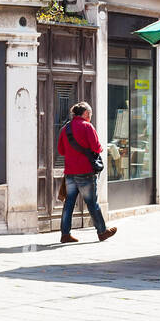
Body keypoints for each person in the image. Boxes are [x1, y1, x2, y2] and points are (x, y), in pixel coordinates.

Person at [56, 101, 117, 245]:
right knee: (92, 203)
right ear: (85, 113)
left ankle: (65, 234)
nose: (90, 116)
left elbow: (61, 151)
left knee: (69, 203)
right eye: (90, 114)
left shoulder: (65, 128)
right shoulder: (87, 126)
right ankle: (102, 231)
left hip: (70, 172)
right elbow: (96, 148)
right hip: (85, 172)